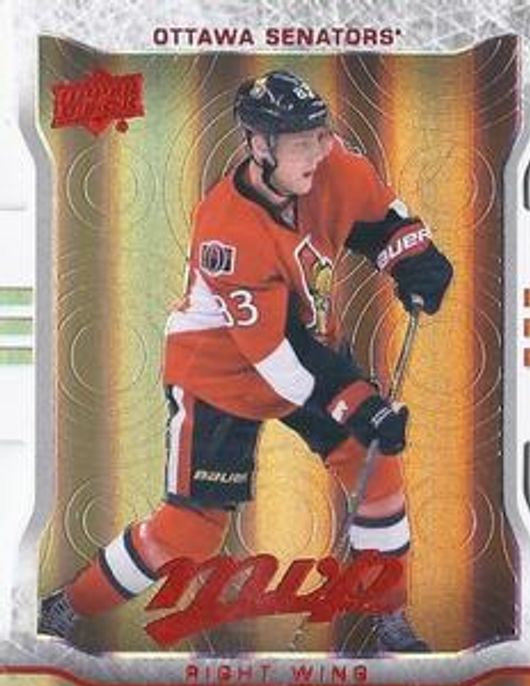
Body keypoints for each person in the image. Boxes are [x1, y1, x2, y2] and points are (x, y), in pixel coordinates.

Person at [39, 70, 452, 653]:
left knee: (375, 462)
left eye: (321, 133)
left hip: (304, 349)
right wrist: (360, 404)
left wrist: (414, 258)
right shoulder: (225, 229)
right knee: (188, 534)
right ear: (259, 146)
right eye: (302, 141)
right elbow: (277, 356)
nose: (321, 149)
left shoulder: (333, 165)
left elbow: (383, 218)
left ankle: (388, 616)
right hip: (221, 374)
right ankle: (67, 607)